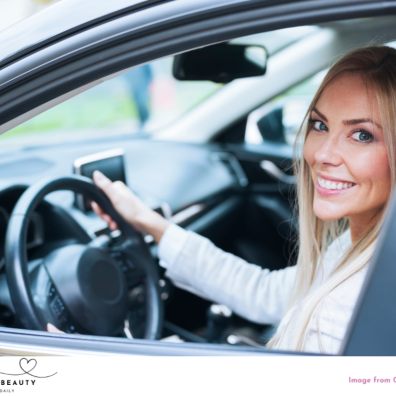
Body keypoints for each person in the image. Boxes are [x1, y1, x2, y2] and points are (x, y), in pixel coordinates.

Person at [89, 46, 395, 354]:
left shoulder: (347, 309)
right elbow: (266, 293)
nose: (322, 154)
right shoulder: (364, 247)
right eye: (320, 125)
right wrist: (151, 224)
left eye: (362, 135)